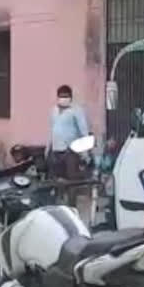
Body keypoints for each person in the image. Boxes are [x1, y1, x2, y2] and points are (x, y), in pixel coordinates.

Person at [48, 85, 92, 222]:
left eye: (66, 96)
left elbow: (83, 131)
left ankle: (72, 210)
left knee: (71, 181)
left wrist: (85, 153)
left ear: (71, 97)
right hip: (56, 150)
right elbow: (52, 130)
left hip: (71, 151)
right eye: (61, 95)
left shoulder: (76, 111)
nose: (63, 98)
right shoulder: (54, 111)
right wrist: (48, 148)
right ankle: (59, 209)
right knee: (57, 181)